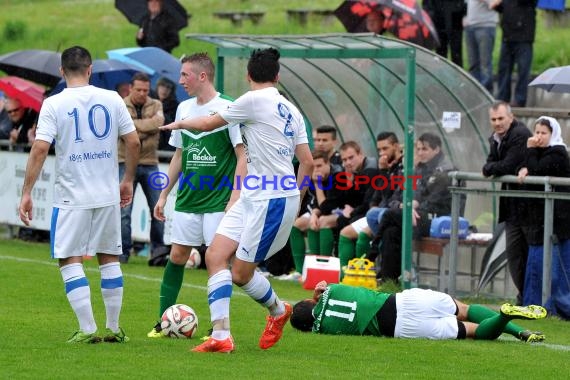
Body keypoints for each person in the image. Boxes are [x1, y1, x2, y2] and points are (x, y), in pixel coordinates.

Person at [160, 48, 313, 353]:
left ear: (248, 75)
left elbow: (206, 124)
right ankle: (220, 336)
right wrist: (296, 197)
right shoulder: (291, 110)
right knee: (215, 256)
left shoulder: (251, 100)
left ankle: (279, 311)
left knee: (241, 274)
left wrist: (179, 124)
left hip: (270, 199)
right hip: (256, 194)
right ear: (277, 76)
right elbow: (307, 162)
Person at [18, 45, 140, 343]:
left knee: (69, 259)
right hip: (107, 194)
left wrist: (27, 192)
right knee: (109, 257)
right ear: (90, 70)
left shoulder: (53, 103)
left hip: (72, 197)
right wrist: (127, 180)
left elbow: (40, 147)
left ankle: (88, 331)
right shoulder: (112, 98)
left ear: (62, 71)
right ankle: (113, 328)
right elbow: (134, 142)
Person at [147, 53, 246, 338]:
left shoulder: (229, 107)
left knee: (218, 261)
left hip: (218, 200)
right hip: (188, 199)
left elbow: (242, 156)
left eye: (185, 75)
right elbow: (179, 154)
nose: (180, 81)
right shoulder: (183, 108)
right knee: (177, 256)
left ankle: (219, 328)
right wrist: (164, 194)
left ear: (202, 76)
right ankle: (163, 322)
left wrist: (234, 197)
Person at [290, 281, 546, 342]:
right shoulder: (331, 290)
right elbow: (323, 289)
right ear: (311, 301)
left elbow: (318, 319)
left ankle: (504, 315)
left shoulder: (322, 329)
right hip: (404, 302)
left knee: (474, 332)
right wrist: (318, 293)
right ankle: (520, 331)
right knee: (465, 310)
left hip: (400, 329)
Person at [377, 133, 455, 281]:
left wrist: (410, 209)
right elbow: (395, 198)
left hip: (438, 221)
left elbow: (432, 201)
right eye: (418, 149)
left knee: (388, 215)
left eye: (424, 149)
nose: (419, 153)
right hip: (415, 216)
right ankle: (389, 282)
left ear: (436, 149)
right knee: (391, 231)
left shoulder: (445, 171)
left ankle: (372, 255)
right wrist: (406, 207)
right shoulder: (418, 168)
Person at [517, 116, 570, 319]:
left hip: (558, 222)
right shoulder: (537, 152)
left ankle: (556, 307)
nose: (538, 137)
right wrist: (524, 167)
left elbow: (538, 170)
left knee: (556, 270)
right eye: (536, 132)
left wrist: (529, 154)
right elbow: (523, 167)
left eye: (543, 133)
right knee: (537, 265)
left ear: (552, 134)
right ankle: (536, 306)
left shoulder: (558, 153)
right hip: (539, 221)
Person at [482, 101, 532, 305]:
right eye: (493, 119)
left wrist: (491, 168)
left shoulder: (520, 134)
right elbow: (490, 164)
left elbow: (508, 165)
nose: (497, 123)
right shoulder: (496, 138)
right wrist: (492, 167)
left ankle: (529, 298)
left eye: (501, 118)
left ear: (511, 117)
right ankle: (524, 298)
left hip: (528, 206)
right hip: (511, 207)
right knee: (515, 256)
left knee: (527, 255)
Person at [337, 132, 403, 274]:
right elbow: (378, 194)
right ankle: (344, 277)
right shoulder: (387, 166)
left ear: (396, 146)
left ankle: (364, 275)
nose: (382, 153)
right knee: (345, 232)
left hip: (392, 214)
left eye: (385, 149)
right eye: (379, 150)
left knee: (363, 232)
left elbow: (391, 195)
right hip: (379, 212)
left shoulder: (399, 167)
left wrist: (384, 171)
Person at [118, 72, 166, 263]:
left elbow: (159, 124)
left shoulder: (157, 104)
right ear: (131, 88)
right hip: (124, 162)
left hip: (150, 164)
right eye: (138, 89)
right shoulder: (120, 104)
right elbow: (123, 133)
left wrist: (133, 129)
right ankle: (123, 252)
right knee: (123, 212)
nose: (142, 93)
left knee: (158, 208)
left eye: (146, 90)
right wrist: (148, 127)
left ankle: (158, 252)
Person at [492, 0, 537, 107]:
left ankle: (519, 100)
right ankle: (502, 99)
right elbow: (502, 8)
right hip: (507, 36)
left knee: (523, 71)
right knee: (504, 70)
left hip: (524, 37)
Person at [464, 0, 499, 93]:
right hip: (470, 26)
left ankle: (486, 93)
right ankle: (475, 92)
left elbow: (494, 3)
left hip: (486, 26)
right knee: (473, 63)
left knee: (485, 63)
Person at [423, 0, 467, 67]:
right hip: (439, 20)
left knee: (456, 53)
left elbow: (463, 3)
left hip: (455, 19)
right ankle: (441, 74)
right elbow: (427, 4)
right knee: (441, 53)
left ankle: (457, 75)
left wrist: (464, 14)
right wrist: (431, 16)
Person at [154, 77, 179, 152]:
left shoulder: (176, 107)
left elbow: (175, 131)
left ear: (172, 91)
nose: (164, 90)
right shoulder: (149, 102)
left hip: (167, 148)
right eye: (162, 86)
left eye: (168, 87)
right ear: (157, 87)